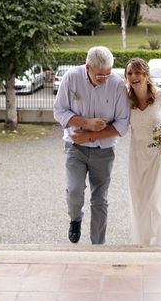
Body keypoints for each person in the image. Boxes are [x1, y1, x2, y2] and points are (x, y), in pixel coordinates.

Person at [53, 46, 130, 244]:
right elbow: (59, 111)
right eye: (99, 75)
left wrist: (91, 135)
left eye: (108, 74)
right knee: (74, 191)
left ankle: (98, 246)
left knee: (100, 199)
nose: (104, 78)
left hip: (104, 151)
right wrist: (86, 123)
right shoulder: (71, 77)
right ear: (87, 67)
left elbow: (122, 123)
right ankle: (75, 219)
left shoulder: (118, 85)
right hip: (74, 147)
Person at [125, 57, 161, 245]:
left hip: (159, 155)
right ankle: (144, 238)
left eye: (137, 73)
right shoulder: (126, 99)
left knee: (157, 197)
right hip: (137, 156)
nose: (133, 77)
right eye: (129, 73)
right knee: (140, 198)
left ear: (146, 75)